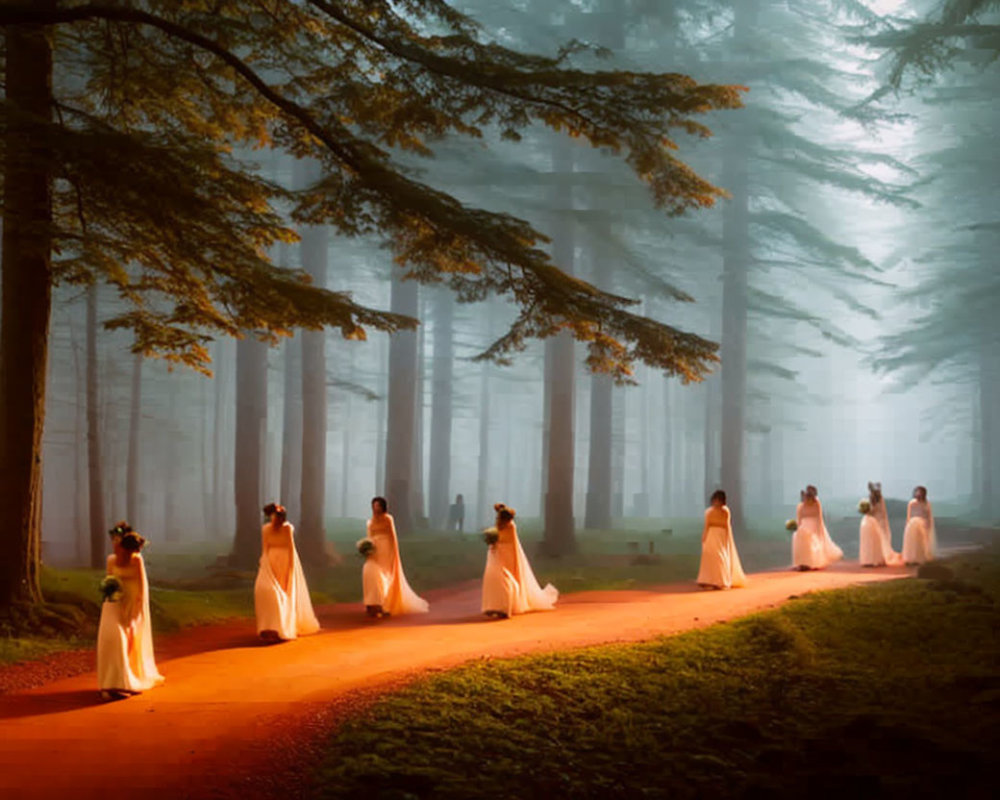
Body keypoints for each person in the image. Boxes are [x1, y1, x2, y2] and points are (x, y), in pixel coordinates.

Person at [97, 522, 163, 700]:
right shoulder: (111, 560)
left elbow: (142, 586)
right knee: (113, 639)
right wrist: (110, 594)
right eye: (114, 540)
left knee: (129, 642)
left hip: (131, 602)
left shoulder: (136, 560)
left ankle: (119, 682)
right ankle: (110, 683)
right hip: (114, 603)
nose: (115, 544)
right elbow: (109, 579)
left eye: (118, 540)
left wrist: (136, 609)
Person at [254, 502, 320, 641]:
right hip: (270, 561)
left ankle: (281, 626)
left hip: (284, 561)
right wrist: (264, 563)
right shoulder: (266, 529)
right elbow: (265, 547)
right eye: (273, 517)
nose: (275, 520)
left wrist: (291, 568)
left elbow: (291, 548)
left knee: (283, 592)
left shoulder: (287, 529)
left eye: (278, 517)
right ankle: (269, 625)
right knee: (266, 591)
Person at [482, 503, 558, 618]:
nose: (497, 520)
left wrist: (495, 540)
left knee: (506, 581)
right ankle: (492, 605)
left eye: (499, 518)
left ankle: (504, 607)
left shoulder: (510, 527)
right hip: (495, 555)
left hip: (505, 556)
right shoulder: (499, 526)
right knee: (492, 579)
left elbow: (508, 542)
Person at [362, 497, 430, 618]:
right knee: (369, 571)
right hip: (374, 550)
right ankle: (371, 603)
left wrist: (395, 554)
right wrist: (367, 548)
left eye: (378, 505)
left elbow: (393, 536)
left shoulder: (388, 519)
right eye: (374, 505)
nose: (375, 508)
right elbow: (369, 537)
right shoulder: (370, 522)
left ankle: (384, 604)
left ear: (383, 507)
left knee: (384, 576)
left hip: (386, 549)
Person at [696, 490, 747, 590]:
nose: (716, 503)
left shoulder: (725, 511)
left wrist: (727, 538)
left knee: (720, 557)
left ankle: (721, 580)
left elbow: (727, 525)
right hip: (711, 535)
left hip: (721, 535)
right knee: (709, 556)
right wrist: (704, 537)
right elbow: (707, 526)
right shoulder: (708, 512)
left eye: (718, 501)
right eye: (715, 500)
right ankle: (707, 580)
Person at [792, 485, 843, 570]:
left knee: (810, 538)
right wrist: (797, 527)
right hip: (803, 525)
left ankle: (810, 562)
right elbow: (799, 519)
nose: (808, 499)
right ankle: (801, 562)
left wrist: (819, 529)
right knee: (798, 536)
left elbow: (819, 518)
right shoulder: (800, 506)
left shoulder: (817, 504)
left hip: (813, 525)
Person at [859, 498, 903, 567]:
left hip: (874, 521)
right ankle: (868, 558)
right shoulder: (869, 515)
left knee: (874, 540)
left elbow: (877, 511)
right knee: (869, 540)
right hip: (871, 521)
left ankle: (872, 558)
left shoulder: (878, 503)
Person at [902, 485, 936, 565]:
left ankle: (919, 558)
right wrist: (907, 524)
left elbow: (928, 516)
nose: (918, 493)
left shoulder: (926, 504)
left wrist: (928, 525)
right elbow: (909, 515)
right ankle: (910, 558)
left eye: (920, 492)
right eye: (917, 492)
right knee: (912, 542)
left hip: (922, 524)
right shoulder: (911, 503)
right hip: (912, 524)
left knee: (920, 542)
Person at [867, 481, 899, 560]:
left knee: (880, 537)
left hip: (878, 520)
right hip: (878, 519)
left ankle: (881, 555)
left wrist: (866, 511)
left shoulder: (877, 499)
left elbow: (874, 510)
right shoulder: (877, 498)